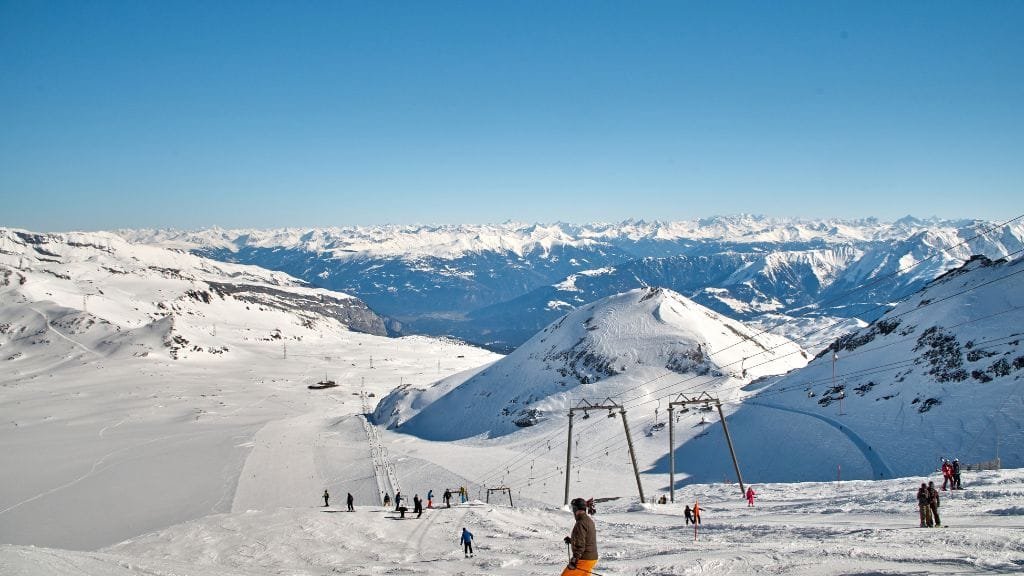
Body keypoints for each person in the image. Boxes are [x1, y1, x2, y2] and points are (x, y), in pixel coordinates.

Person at [562, 497, 598, 576]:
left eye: (573, 508)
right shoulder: (588, 520)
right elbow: (585, 539)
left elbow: (580, 544)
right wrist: (572, 540)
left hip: (584, 559)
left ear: (576, 509)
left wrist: (575, 559)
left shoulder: (581, 523)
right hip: (591, 558)